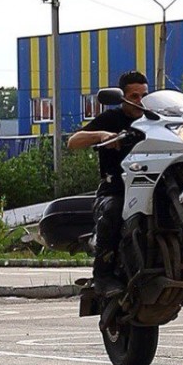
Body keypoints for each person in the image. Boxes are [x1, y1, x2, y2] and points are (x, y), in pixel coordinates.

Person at [67, 70, 149, 297]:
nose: (140, 101)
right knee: (113, 210)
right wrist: (102, 135)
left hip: (151, 185)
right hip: (115, 188)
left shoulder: (154, 118)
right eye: (134, 96)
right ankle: (102, 275)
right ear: (122, 97)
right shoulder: (111, 119)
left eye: (144, 95)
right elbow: (73, 142)